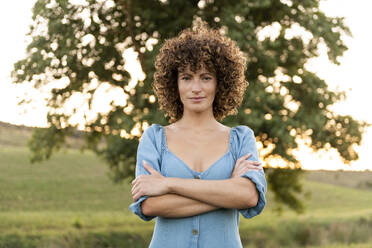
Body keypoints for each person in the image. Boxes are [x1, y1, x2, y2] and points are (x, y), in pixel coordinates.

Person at [129, 20, 267, 248]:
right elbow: (150, 205)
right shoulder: (154, 138)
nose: (196, 88)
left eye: (205, 77)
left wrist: (169, 184)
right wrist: (229, 188)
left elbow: (249, 197)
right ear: (174, 84)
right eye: (186, 77)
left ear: (220, 83)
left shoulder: (242, 139)